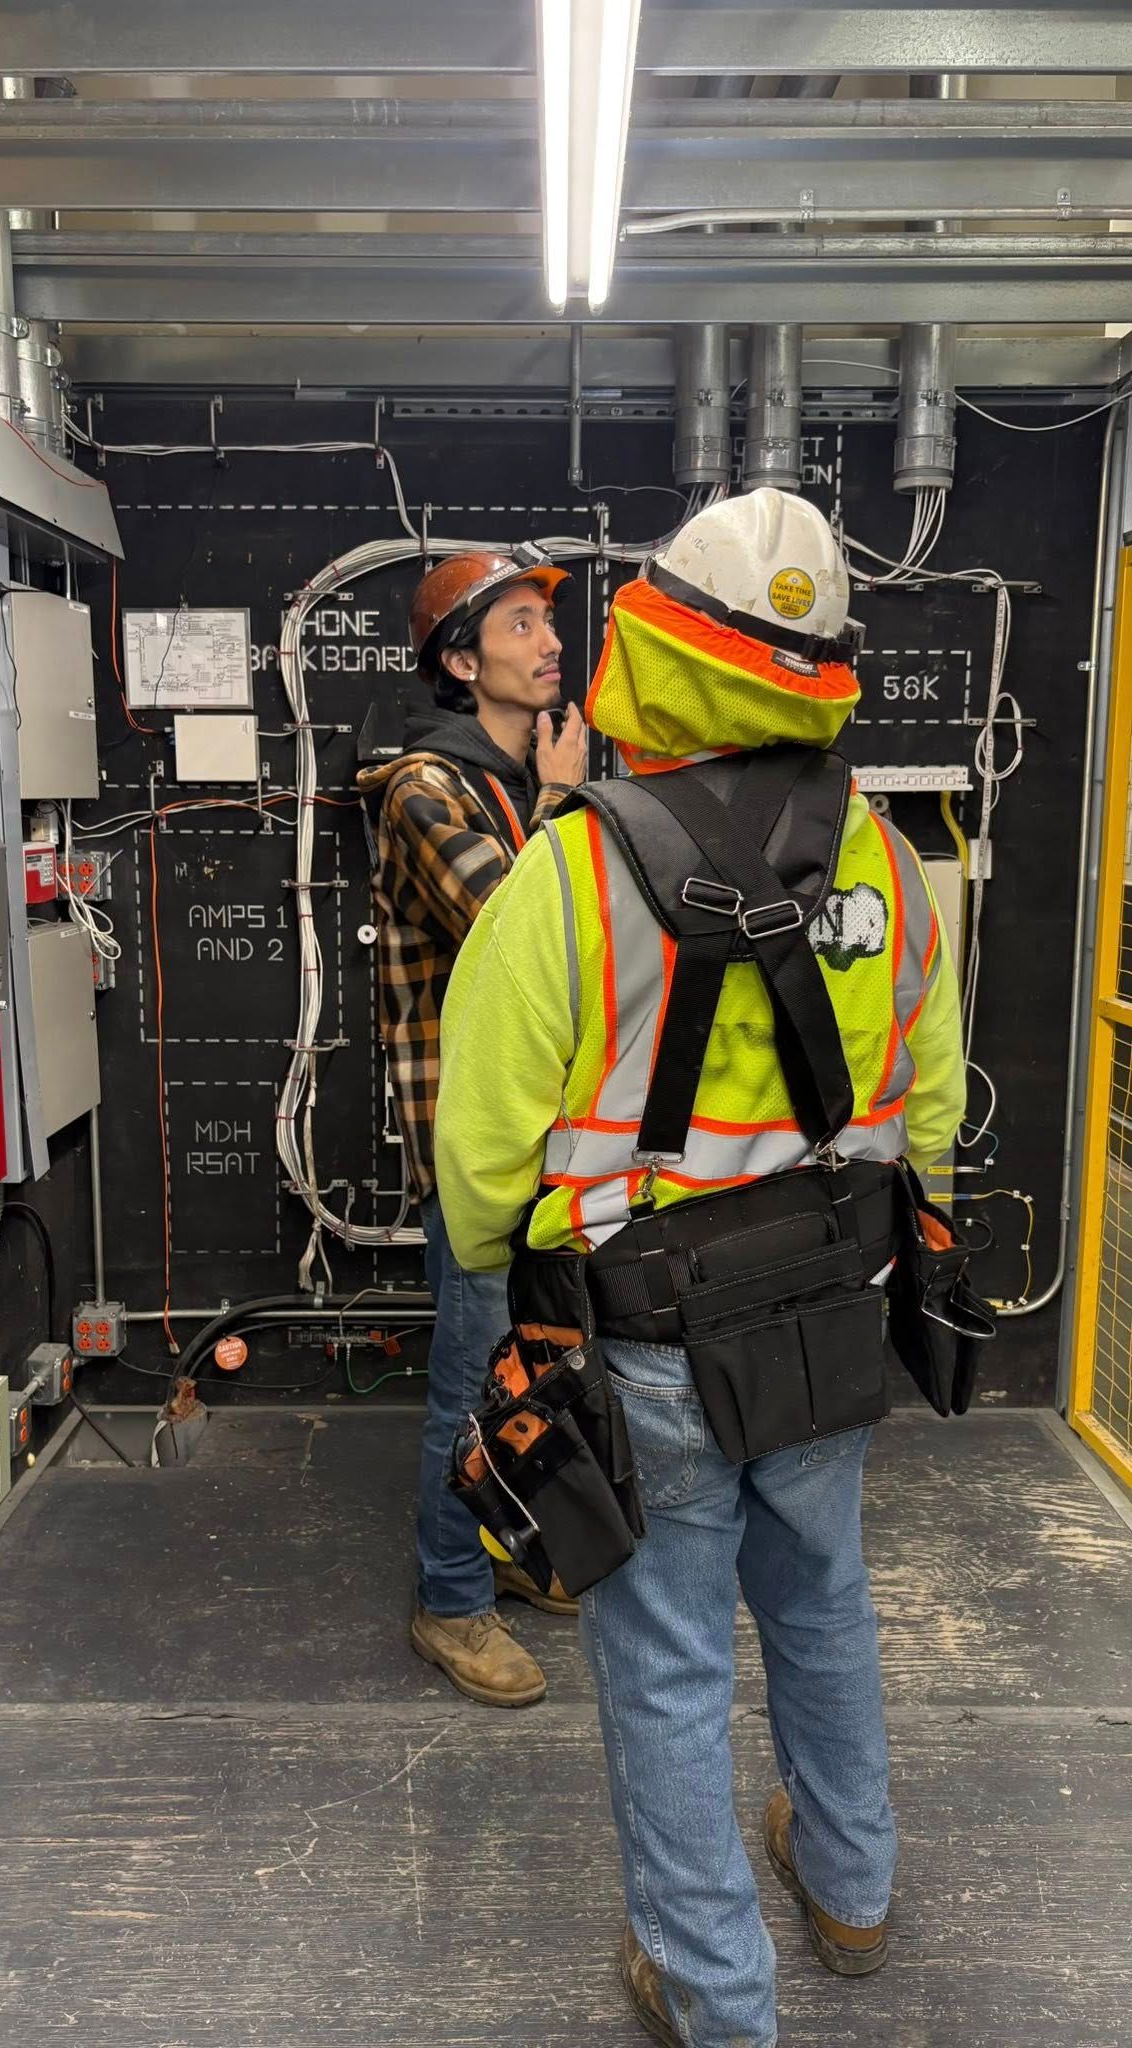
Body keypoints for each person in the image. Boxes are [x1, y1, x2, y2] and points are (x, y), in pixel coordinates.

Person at [434, 490, 966, 2046]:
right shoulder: (885, 856)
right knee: (823, 1597)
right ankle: (852, 1890)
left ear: (656, 646)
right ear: (822, 667)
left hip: (644, 1340)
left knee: (666, 1662)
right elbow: (927, 1099)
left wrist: (501, 1263)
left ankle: (718, 1995)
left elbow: (481, 1163)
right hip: (830, 1315)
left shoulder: (572, 878)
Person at [357, 545, 587, 1709]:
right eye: (518, 624)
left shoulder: (527, 783)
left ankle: (514, 1540)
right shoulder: (423, 788)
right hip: (475, 1140)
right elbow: (520, 932)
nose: (550, 641)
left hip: (563, 1138)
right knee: (467, 1371)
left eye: (550, 620)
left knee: (541, 1365)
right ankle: (450, 1599)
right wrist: (560, 801)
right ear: (461, 658)